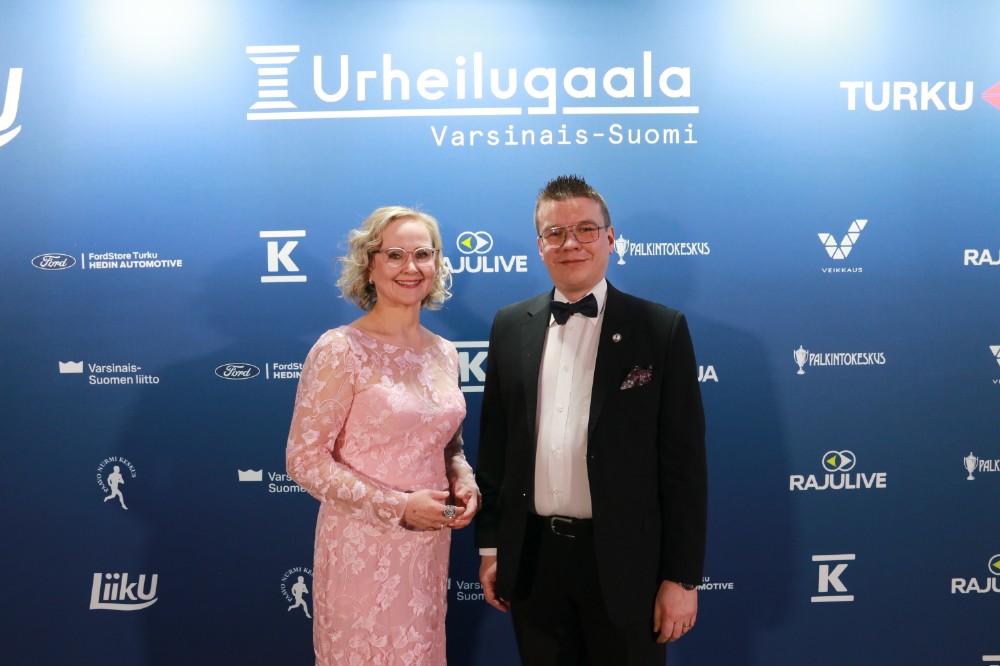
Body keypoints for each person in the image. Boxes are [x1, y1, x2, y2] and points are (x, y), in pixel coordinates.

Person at [475, 175, 707, 665]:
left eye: (585, 229)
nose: (571, 243)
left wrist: (682, 578)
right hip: (533, 561)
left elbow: (684, 467)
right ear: (540, 245)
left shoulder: (660, 329)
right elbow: (495, 447)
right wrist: (492, 548)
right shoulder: (509, 325)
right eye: (555, 232)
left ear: (610, 238)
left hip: (626, 567)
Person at [287, 205, 479, 666]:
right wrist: (398, 507)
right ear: (369, 265)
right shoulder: (340, 349)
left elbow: (446, 442)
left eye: (422, 254)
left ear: (436, 263)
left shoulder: (444, 353)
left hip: (428, 545)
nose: (411, 267)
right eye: (395, 255)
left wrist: (463, 477)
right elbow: (304, 461)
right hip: (363, 546)